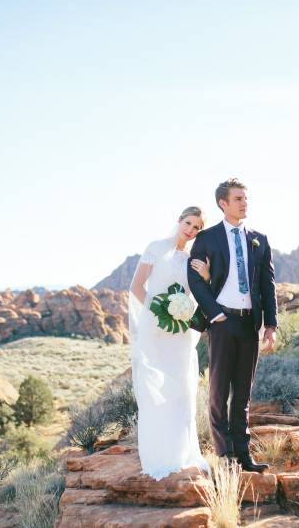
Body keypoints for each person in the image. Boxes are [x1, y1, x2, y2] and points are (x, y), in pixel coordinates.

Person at [187, 178, 278, 473]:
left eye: (246, 198)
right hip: (222, 322)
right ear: (223, 204)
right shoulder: (208, 238)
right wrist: (214, 313)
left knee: (243, 394)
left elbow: (267, 284)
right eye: (238, 198)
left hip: (249, 324)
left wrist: (271, 324)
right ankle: (225, 456)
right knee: (218, 392)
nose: (244, 203)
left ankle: (244, 455)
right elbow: (194, 280)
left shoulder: (259, 239)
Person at [128, 206, 212, 480]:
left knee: (183, 388)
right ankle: (159, 455)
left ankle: (183, 452)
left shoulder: (191, 260)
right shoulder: (155, 248)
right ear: (179, 221)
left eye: (196, 227)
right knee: (156, 388)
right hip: (156, 329)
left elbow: (198, 295)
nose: (190, 229)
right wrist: (159, 312)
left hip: (181, 333)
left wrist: (206, 278)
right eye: (188, 222)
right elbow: (137, 287)